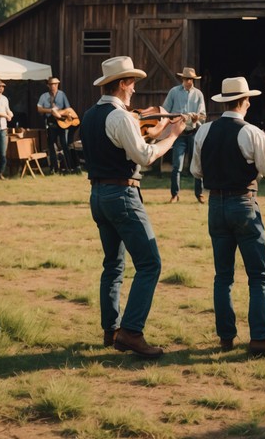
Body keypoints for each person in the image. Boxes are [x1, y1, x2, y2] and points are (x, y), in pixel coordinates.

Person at [80, 56, 185, 358]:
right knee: (150, 263)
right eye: (133, 84)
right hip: (122, 194)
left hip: (98, 195)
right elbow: (145, 156)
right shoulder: (121, 116)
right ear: (124, 84)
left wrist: (153, 132)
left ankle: (110, 330)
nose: (135, 90)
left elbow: (122, 144)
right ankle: (131, 332)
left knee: (113, 265)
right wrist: (173, 136)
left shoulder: (90, 115)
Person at [191, 76, 265, 356]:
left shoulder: (204, 131)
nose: (250, 102)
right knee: (258, 275)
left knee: (223, 276)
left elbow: (195, 171)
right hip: (243, 203)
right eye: (249, 99)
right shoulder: (251, 132)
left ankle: (226, 338)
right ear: (244, 101)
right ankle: (259, 338)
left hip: (216, 205)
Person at [163, 67, 207, 203]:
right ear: (182, 79)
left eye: (192, 79)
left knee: (197, 164)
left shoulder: (198, 94)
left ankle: (199, 194)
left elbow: (203, 116)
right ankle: (174, 195)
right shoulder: (174, 92)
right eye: (187, 79)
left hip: (193, 133)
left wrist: (196, 118)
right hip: (179, 134)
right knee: (177, 166)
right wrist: (177, 117)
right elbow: (165, 111)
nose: (189, 81)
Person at [37, 77, 78, 173]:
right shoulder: (44, 96)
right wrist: (51, 111)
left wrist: (59, 113)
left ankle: (68, 167)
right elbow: (39, 109)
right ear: (48, 85)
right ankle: (53, 168)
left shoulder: (62, 94)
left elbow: (68, 109)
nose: (53, 86)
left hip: (61, 122)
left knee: (64, 144)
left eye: (55, 84)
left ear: (57, 85)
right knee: (51, 145)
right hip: (50, 123)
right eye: (51, 84)